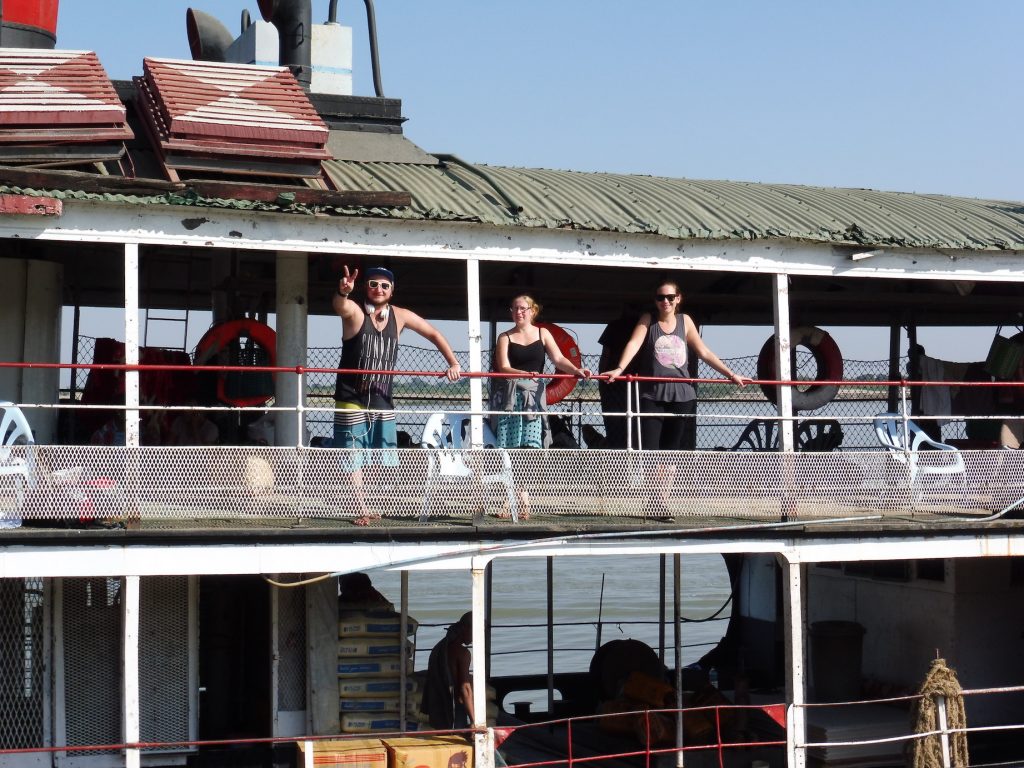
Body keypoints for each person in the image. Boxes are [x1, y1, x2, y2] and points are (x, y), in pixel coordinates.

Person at [603, 278, 748, 516]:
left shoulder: (685, 321)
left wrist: (731, 374)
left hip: (682, 395)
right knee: (651, 451)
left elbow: (703, 352)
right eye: (660, 297)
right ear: (655, 301)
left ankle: (661, 501)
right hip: (653, 394)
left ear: (678, 299)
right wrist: (619, 369)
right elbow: (634, 343)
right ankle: (654, 501)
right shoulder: (648, 320)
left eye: (670, 297)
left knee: (670, 453)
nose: (665, 302)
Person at [332, 265, 462, 525]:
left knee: (380, 455)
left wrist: (453, 363)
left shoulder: (400, 316)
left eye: (384, 285)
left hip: (382, 396)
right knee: (352, 453)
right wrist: (342, 292)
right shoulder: (356, 313)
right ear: (365, 288)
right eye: (372, 284)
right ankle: (360, 507)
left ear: (392, 290)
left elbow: (433, 333)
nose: (378, 289)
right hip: (351, 395)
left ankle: (367, 502)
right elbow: (341, 306)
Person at [491, 294, 590, 516]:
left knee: (530, 448)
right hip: (511, 398)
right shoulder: (504, 337)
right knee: (510, 450)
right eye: (514, 308)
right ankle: (516, 504)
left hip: (534, 399)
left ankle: (516, 503)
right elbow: (503, 367)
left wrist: (576, 371)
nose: (518, 312)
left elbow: (558, 359)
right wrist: (526, 373)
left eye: (523, 308)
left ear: (533, 311)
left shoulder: (542, 333)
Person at [421, 611, 474, 731]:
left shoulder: (440, 647)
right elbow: (465, 688)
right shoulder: (462, 653)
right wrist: (474, 720)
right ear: (465, 628)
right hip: (454, 710)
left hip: (439, 709)